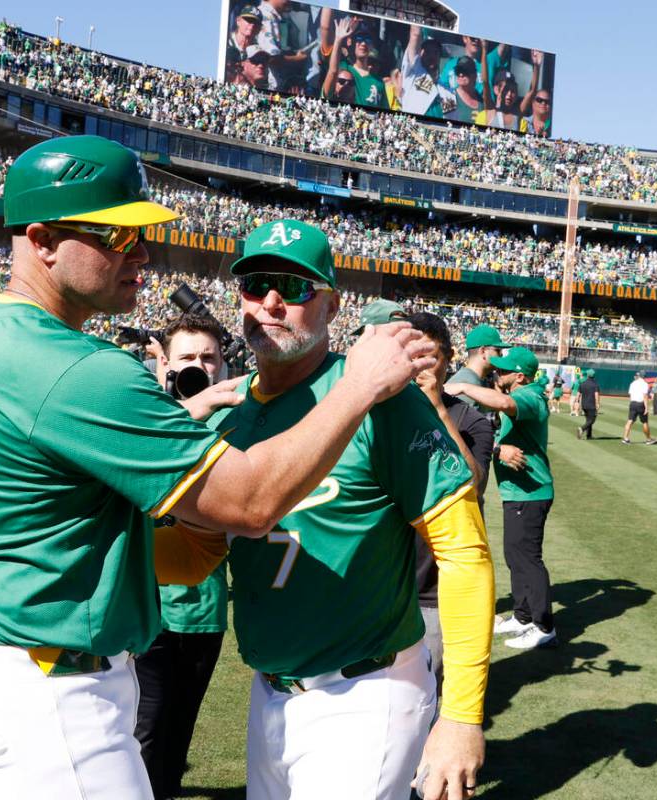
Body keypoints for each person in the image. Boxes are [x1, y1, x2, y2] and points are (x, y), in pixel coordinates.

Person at [0, 136, 436, 800]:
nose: (140, 253)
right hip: (50, 698)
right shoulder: (80, 371)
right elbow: (253, 503)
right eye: (117, 235)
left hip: (6, 668)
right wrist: (359, 384)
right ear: (43, 240)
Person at [198, 220, 492, 800]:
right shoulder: (227, 415)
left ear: (333, 305)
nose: (273, 301)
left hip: (367, 688)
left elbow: (464, 555)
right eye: (256, 284)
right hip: (271, 691)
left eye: (296, 286)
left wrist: (462, 715)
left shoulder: (384, 400)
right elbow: (195, 554)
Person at [134, 314, 236, 800]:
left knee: (178, 732)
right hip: (144, 610)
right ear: (165, 365)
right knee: (143, 731)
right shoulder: (141, 415)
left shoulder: (235, 422)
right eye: (187, 358)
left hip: (204, 609)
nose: (199, 366)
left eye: (208, 358)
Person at [404, 310, 493, 704]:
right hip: (385, 579)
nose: (421, 365)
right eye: (413, 355)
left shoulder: (471, 420)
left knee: (428, 696)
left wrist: (437, 410)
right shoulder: (380, 411)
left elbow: (473, 483)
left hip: (435, 588)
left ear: (449, 358)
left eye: (431, 356)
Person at [448, 347, 555, 651]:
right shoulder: (524, 391)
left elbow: (506, 402)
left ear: (520, 376)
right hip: (518, 491)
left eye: (505, 370)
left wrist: (465, 386)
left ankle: (544, 626)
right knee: (514, 556)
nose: (498, 373)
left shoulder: (530, 396)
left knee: (527, 559)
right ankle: (522, 617)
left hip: (530, 492)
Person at [398, 25, 456, 118]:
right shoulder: (413, 72)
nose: (432, 56)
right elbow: (415, 34)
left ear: (440, 56)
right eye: (428, 51)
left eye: (435, 52)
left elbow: (452, 119)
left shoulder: (448, 91)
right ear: (420, 53)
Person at [448, 324, 510, 409]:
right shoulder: (466, 383)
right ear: (483, 351)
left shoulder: (477, 379)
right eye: (498, 351)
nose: (501, 355)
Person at [622, 372, 657, 445]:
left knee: (630, 421)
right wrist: (646, 407)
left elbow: (630, 394)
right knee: (644, 422)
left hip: (632, 403)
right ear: (644, 377)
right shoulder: (645, 384)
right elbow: (645, 396)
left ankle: (625, 438)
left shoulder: (632, 383)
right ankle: (648, 439)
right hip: (640, 404)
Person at [576, 369, 601, 440]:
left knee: (588, 420)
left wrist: (577, 402)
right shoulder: (595, 384)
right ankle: (582, 428)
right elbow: (596, 395)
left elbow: (578, 394)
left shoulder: (583, 383)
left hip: (584, 405)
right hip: (591, 405)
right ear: (594, 375)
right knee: (592, 420)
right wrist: (597, 403)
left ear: (587, 375)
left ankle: (589, 436)